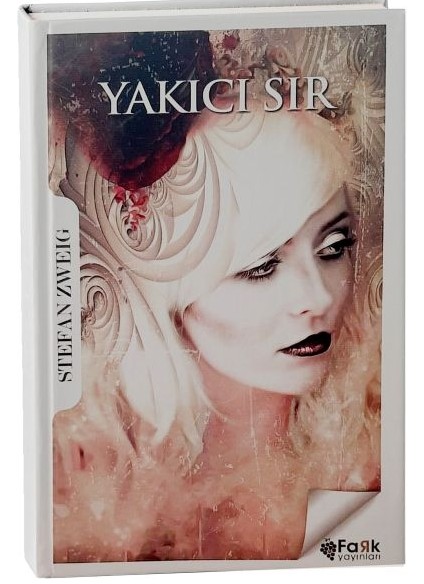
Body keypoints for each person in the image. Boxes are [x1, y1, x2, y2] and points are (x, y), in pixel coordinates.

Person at [52, 99, 381, 562]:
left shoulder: (374, 469)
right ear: (165, 291)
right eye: (261, 267)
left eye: (333, 247)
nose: (319, 297)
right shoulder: (86, 501)